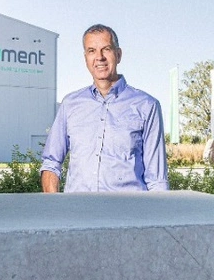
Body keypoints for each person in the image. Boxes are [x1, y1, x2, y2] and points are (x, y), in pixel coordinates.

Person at [40, 24, 168, 192]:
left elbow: (157, 178)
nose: (99, 57)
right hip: (77, 213)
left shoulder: (147, 105)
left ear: (118, 54)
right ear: (85, 57)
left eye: (106, 49)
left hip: (130, 214)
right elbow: (51, 163)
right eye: (92, 51)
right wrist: (54, 209)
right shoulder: (70, 104)